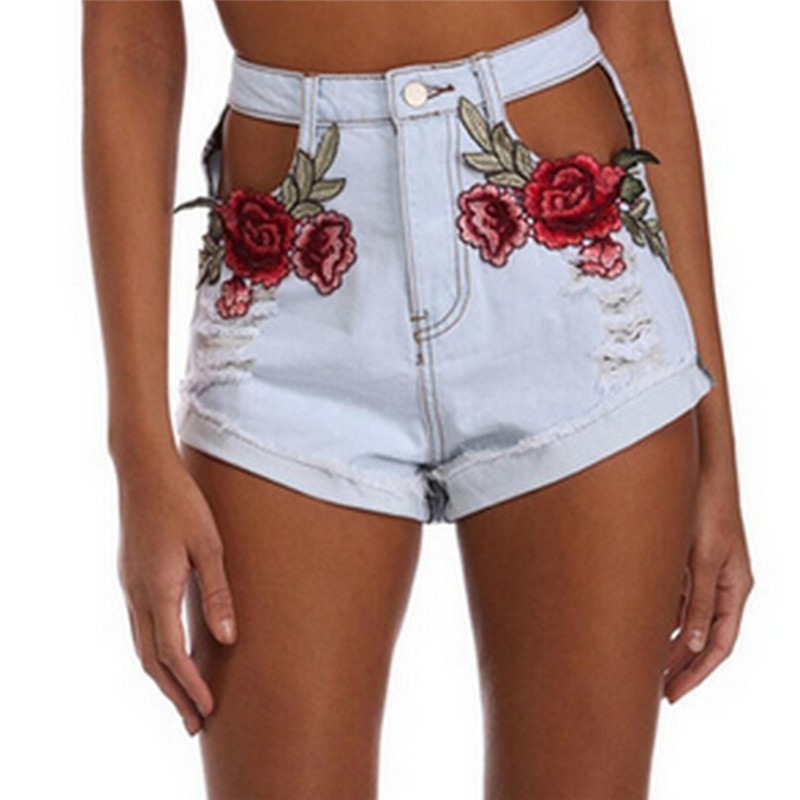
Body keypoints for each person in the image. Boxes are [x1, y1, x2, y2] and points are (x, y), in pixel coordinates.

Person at [82, 2, 754, 797]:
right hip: (289, 288)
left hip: (571, 274)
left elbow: (638, 37)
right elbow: (131, 44)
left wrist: (717, 450)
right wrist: (137, 450)